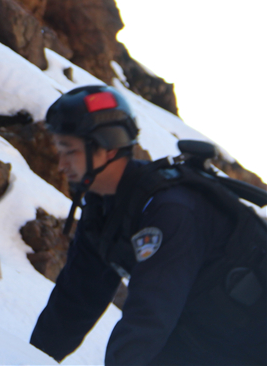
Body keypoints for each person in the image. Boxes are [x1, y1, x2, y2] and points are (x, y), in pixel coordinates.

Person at [30, 84, 266, 365]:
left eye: (70, 151)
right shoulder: (104, 210)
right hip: (205, 336)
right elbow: (76, 300)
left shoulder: (170, 211)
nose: (61, 165)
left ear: (107, 147)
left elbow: (149, 315)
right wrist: (31, 359)